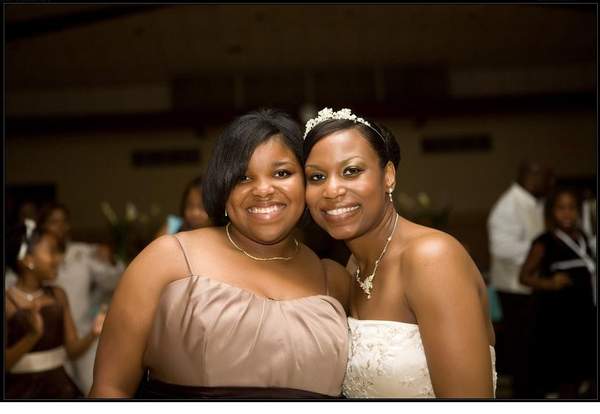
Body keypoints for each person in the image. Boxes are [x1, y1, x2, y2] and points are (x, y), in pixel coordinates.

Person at [90, 108, 350, 398]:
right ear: (223, 188)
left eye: (282, 173)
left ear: (308, 182)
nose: (263, 190)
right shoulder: (167, 260)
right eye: (243, 177)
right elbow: (109, 389)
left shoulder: (334, 280)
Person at [302, 108, 496, 398]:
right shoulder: (355, 266)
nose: (332, 190)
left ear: (388, 176)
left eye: (351, 171)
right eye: (317, 177)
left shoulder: (432, 258)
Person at [5, 220, 105, 398]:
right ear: (28, 260)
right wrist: (32, 336)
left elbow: (72, 351)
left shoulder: (58, 295)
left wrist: (93, 333)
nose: (59, 259)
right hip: (22, 392)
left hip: (60, 388)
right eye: (51, 251)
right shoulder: (8, 301)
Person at [36, 202, 125, 395]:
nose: (60, 227)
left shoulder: (83, 252)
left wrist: (110, 260)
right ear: (42, 225)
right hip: (50, 345)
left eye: (64, 221)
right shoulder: (34, 258)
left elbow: (112, 281)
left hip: (85, 337)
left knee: (92, 389)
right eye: (53, 222)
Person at [519, 188, 596, 398]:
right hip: (558, 320)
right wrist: (550, 283)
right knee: (562, 375)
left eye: (571, 208)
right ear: (552, 212)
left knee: (584, 373)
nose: (567, 213)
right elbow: (524, 277)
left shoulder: (583, 238)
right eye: (561, 208)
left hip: (584, 315)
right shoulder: (544, 242)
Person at [487, 160, 549, 398]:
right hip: (514, 289)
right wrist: (541, 253)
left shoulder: (533, 202)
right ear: (532, 177)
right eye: (546, 177)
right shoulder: (508, 205)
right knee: (522, 348)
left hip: (530, 287)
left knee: (534, 347)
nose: (549, 183)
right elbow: (501, 247)